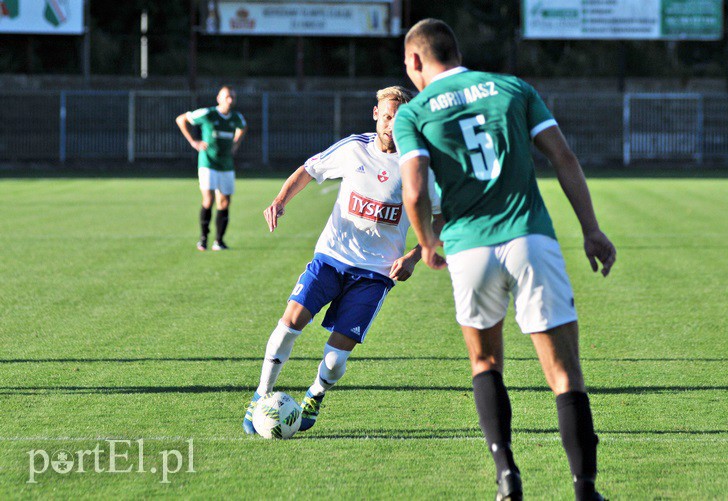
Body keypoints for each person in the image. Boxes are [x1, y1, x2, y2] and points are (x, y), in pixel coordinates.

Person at [394, 19, 616, 501]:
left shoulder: (412, 113)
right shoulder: (513, 88)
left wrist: (427, 241)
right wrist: (591, 230)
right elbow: (564, 158)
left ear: (415, 60)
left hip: (469, 247)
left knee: (485, 361)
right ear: (456, 50)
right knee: (563, 374)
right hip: (529, 238)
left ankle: (507, 475)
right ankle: (585, 489)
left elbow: (413, 190)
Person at [242, 86, 443, 434]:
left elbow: (443, 215)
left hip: (375, 274)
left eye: (401, 118)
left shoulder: (420, 165)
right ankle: (261, 395)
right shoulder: (354, 148)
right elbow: (309, 169)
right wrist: (280, 199)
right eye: (388, 115)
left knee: (335, 362)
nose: (392, 124)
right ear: (376, 114)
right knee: (289, 323)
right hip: (331, 257)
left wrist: (414, 256)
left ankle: (315, 394)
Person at [176, 85, 247, 251]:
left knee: (225, 201)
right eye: (227, 97)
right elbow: (181, 119)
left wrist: (236, 144)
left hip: (226, 165)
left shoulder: (236, 117)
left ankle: (219, 241)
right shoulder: (208, 114)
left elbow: (243, 127)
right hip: (208, 163)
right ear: (219, 98)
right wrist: (193, 141)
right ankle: (203, 238)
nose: (230, 100)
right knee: (209, 199)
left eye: (233, 97)